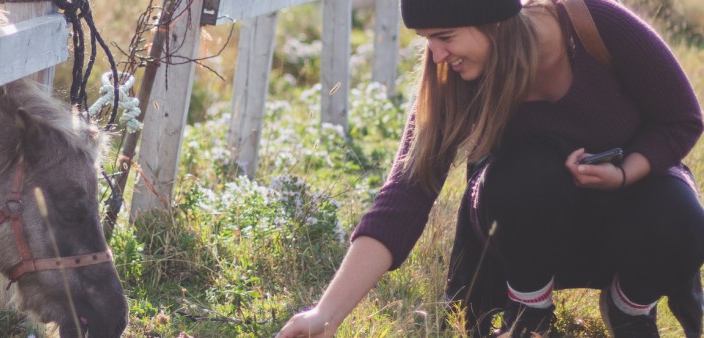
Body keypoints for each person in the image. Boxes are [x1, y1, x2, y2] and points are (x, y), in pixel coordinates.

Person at [276, 0, 704, 336]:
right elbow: (406, 193)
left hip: (630, 209)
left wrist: (626, 170)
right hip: (527, 227)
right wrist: (326, 314)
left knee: (682, 218)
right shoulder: (448, 79)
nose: (437, 55)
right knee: (524, 177)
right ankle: (528, 316)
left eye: (445, 37)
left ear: (495, 22)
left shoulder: (593, 25)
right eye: (427, 39)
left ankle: (630, 309)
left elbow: (682, 117)